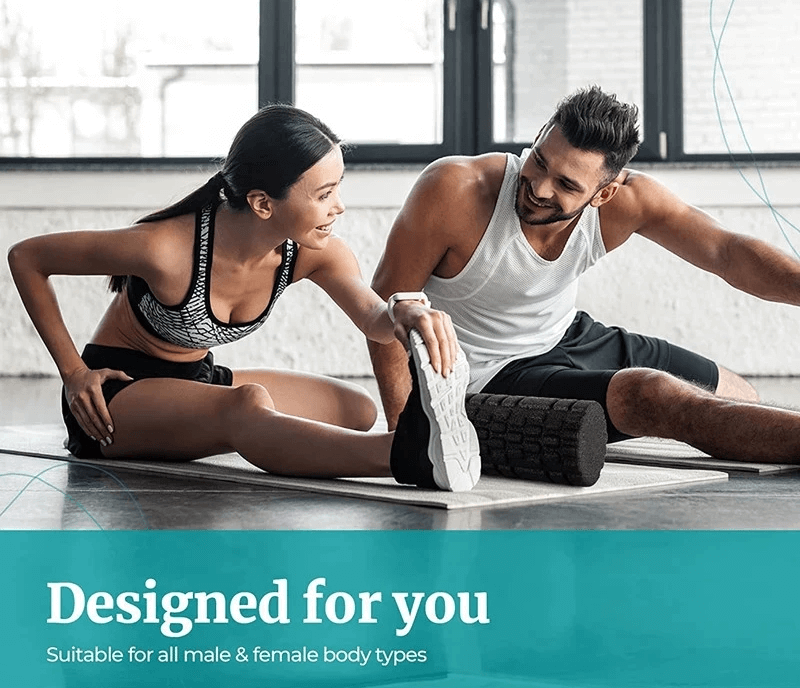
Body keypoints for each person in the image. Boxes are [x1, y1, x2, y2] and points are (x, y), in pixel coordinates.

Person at [7, 105, 480, 491]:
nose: (339, 207)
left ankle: (253, 431)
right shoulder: (166, 248)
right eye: (325, 194)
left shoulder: (314, 254)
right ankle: (404, 457)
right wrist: (73, 372)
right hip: (115, 400)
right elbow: (27, 258)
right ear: (262, 203)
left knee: (357, 410)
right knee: (247, 404)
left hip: (197, 379)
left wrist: (406, 310)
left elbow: (374, 319)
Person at [368, 85, 800, 463]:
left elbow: (727, 251)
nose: (539, 187)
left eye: (567, 185)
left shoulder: (630, 202)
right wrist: (403, 433)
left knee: (741, 395)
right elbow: (385, 304)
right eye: (539, 161)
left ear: (605, 193)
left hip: (570, 336)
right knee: (651, 396)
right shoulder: (454, 189)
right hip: (486, 373)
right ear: (537, 139)